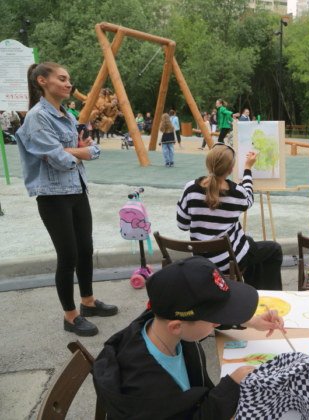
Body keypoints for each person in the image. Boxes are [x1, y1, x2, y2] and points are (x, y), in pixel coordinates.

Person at [93, 256, 286, 420]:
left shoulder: (158, 319)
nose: (218, 323)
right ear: (176, 326)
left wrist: (250, 321)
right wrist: (231, 386)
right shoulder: (150, 392)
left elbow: (196, 322)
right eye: (215, 320)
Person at [15, 62, 117, 337]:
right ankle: (70, 316)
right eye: (61, 78)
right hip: (53, 195)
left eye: (68, 78)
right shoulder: (37, 117)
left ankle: (88, 302)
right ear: (42, 81)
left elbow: (91, 150)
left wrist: (76, 150)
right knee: (68, 254)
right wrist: (80, 151)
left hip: (76, 189)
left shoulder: (67, 115)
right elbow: (59, 159)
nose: (68, 83)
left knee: (85, 248)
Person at [177, 143, 283, 290]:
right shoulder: (236, 193)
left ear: (208, 164)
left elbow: (182, 225)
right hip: (228, 261)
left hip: (201, 259)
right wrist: (247, 168)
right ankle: (266, 294)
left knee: (249, 243)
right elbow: (249, 198)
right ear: (231, 169)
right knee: (274, 249)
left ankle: (252, 290)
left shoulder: (190, 188)